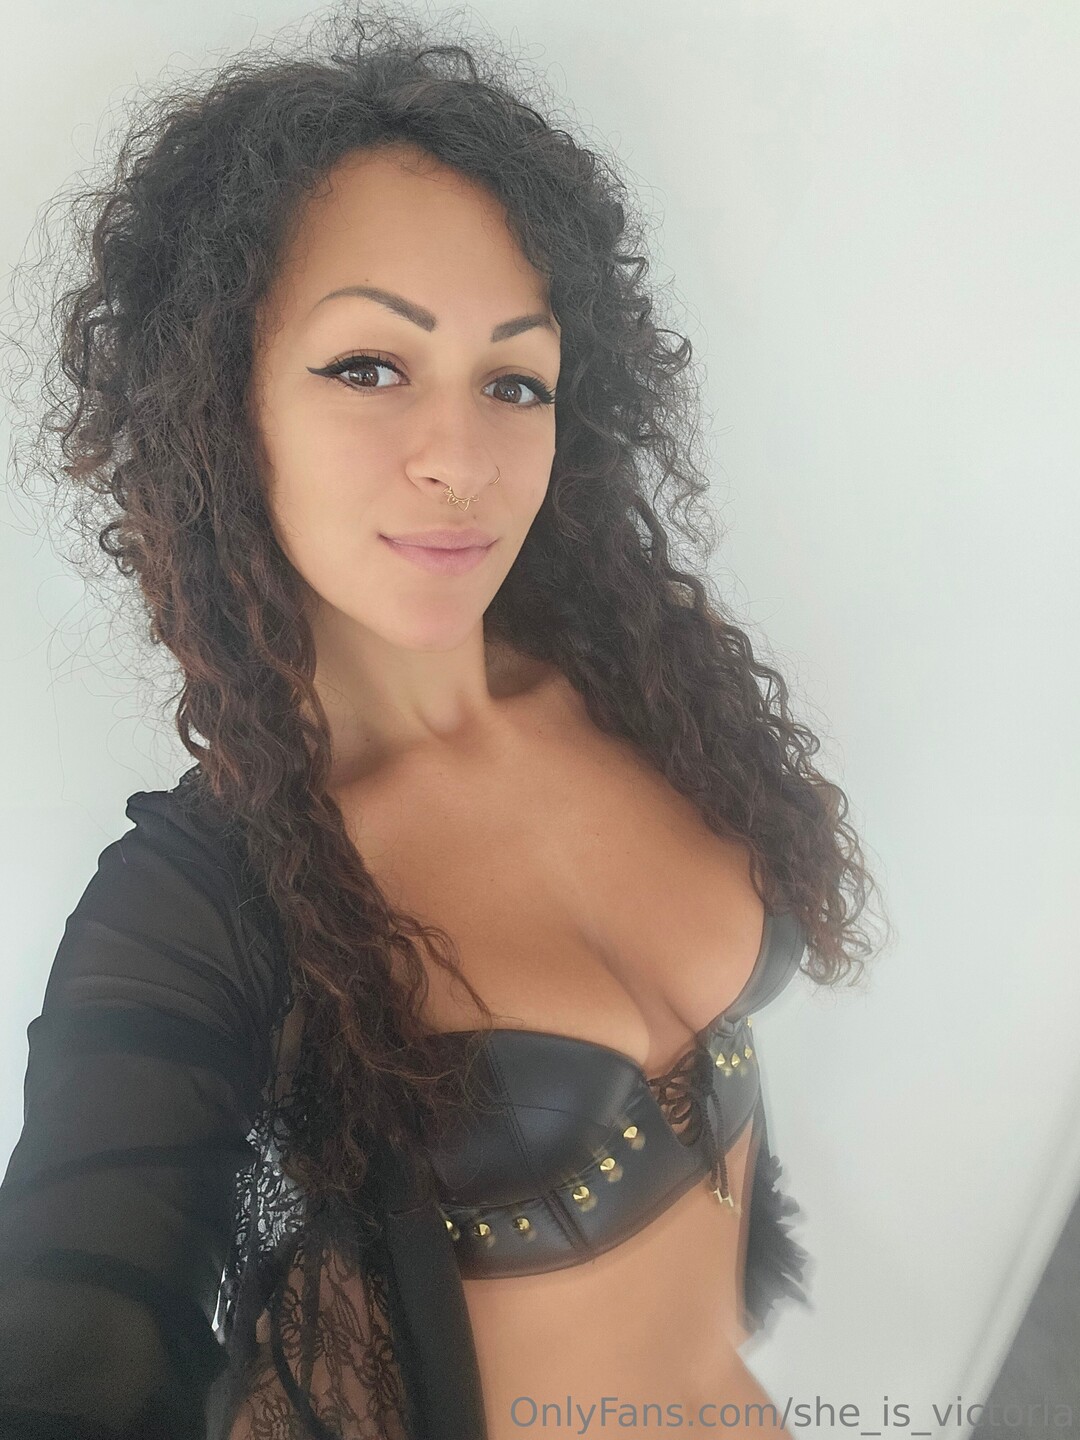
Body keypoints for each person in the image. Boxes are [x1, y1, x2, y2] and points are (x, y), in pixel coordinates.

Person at [0, 6, 889, 1438]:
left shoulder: (645, 692)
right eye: (369, 367)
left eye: (514, 380)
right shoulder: (204, 909)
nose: (461, 457)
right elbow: (69, 1334)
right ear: (225, 406)